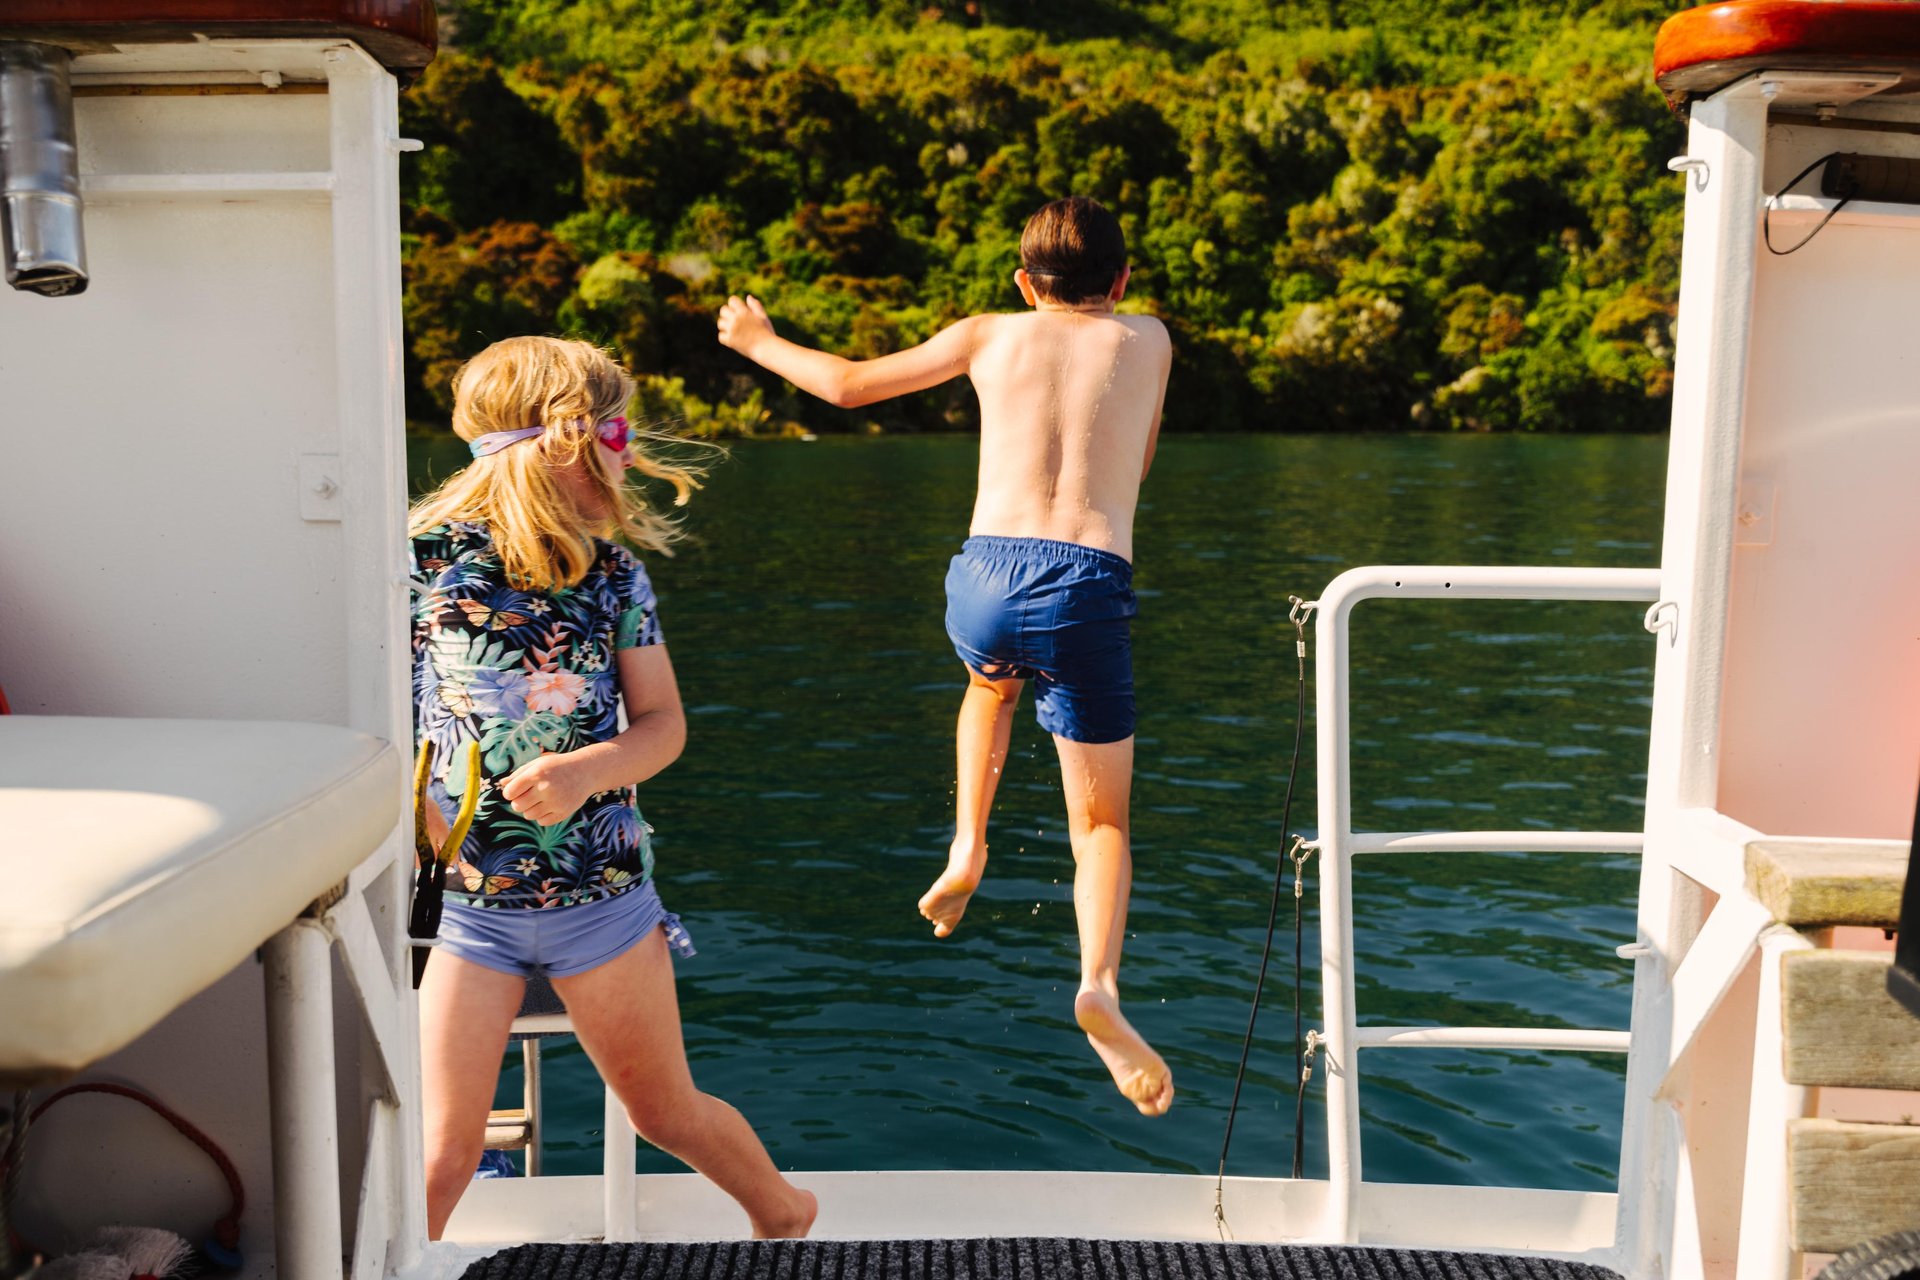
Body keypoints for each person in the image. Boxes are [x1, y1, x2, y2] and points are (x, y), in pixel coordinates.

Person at [716, 197, 1174, 1117]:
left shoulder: (984, 334)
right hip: (1086, 578)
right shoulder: (1150, 339)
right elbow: (1138, 468)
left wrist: (758, 341)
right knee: (1101, 825)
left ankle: (968, 846)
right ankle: (1097, 984)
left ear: (1023, 284)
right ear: (1123, 280)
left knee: (988, 690)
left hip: (984, 573)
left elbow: (848, 386)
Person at [408, 336, 818, 1239]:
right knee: (441, 1152)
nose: (630, 456)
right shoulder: (419, 564)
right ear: (569, 443)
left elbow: (663, 725)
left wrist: (585, 771)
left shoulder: (611, 576)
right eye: (619, 434)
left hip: (603, 901)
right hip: (470, 911)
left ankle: (786, 1214)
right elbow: (382, 716)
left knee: (664, 1114)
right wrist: (416, 812)